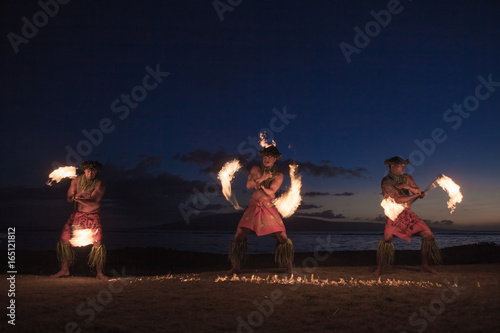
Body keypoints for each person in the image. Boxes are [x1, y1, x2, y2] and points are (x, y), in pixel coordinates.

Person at [227, 146, 296, 275]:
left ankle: (289, 267)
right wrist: (262, 179)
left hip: (269, 206)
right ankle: (236, 267)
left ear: (275, 159)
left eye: (270, 157)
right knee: (239, 234)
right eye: (265, 156)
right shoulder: (255, 169)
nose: (267, 159)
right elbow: (249, 185)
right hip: (254, 205)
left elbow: (271, 193)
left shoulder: (279, 175)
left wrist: (259, 183)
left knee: (282, 236)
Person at [373, 156, 442, 276]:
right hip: (394, 214)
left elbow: (417, 190)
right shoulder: (386, 181)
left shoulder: (407, 178)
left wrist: (412, 189)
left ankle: (425, 265)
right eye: (401, 165)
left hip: (407, 214)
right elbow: (398, 199)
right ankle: (379, 268)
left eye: (404, 165)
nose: (404, 167)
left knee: (429, 236)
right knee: (387, 239)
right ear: (392, 166)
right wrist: (415, 196)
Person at [51, 160, 108, 280]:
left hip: (93, 215)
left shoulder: (99, 184)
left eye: (93, 171)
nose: (90, 173)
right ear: (84, 170)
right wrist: (76, 196)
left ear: (96, 171)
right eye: (88, 171)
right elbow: (69, 198)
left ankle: (99, 273)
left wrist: (77, 197)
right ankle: (64, 269)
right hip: (77, 214)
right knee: (64, 239)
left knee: (97, 242)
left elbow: (93, 200)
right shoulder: (76, 181)